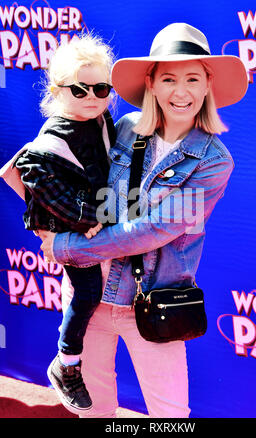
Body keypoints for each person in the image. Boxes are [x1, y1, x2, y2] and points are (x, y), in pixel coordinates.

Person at [39, 23, 248, 418]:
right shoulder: (123, 129)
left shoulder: (215, 161)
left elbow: (153, 230)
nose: (181, 92)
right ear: (151, 83)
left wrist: (67, 247)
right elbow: (63, 169)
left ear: (208, 85)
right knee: (94, 411)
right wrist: (45, 221)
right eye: (169, 79)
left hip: (154, 304)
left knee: (170, 414)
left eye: (192, 79)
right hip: (90, 299)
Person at [0, 34, 116, 413]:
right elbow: (54, 198)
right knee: (87, 294)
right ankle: (66, 363)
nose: (93, 97)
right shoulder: (48, 143)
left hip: (101, 219)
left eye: (101, 87)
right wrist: (91, 221)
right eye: (80, 89)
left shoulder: (102, 120)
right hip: (69, 228)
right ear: (56, 90)